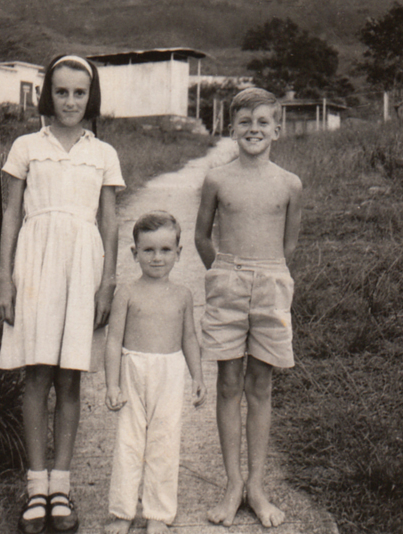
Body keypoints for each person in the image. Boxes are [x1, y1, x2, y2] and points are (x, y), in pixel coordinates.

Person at [0, 54, 125, 534]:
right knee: (36, 374)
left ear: (91, 98)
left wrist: (108, 280)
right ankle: (36, 488)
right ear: (46, 95)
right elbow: (12, 213)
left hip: (82, 266)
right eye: (62, 91)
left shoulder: (103, 152)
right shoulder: (27, 145)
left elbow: (109, 221)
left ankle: (61, 487)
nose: (70, 101)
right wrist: (4, 277)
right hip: (34, 263)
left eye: (80, 92)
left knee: (70, 377)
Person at [194, 88, 302, 528]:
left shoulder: (289, 183)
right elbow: (202, 236)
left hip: (271, 282)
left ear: (278, 129)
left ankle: (257, 485)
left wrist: (268, 277)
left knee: (261, 385)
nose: (254, 129)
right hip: (228, 283)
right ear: (232, 128)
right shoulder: (217, 179)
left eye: (263, 122)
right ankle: (232, 482)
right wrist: (222, 275)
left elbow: (289, 245)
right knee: (227, 383)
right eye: (245, 122)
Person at [104, 211, 207, 534]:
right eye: (148, 250)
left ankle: (158, 513)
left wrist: (198, 377)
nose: (157, 258)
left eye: (165, 250)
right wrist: (112, 384)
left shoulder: (182, 295)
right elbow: (114, 341)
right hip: (134, 369)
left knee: (164, 440)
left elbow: (189, 338)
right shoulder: (128, 294)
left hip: (170, 371)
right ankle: (122, 510)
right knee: (130, 442)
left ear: (179, 253)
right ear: (134, 254)